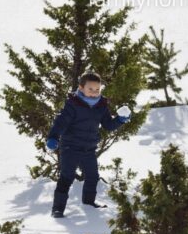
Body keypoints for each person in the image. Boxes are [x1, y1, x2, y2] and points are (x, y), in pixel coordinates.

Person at [46, 72, 130, 217]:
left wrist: (120, 120)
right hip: (70, 147)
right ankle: (58, 209)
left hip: (89, 148)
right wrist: (53, 137)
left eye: (97, 89)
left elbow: (108, 125)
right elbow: (60, 122)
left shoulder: (101, 105)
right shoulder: (73, 104)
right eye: (90, 89)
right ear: (81, 88)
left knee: (92, 176)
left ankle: (89, 203)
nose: (94, 92)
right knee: (66, 177)